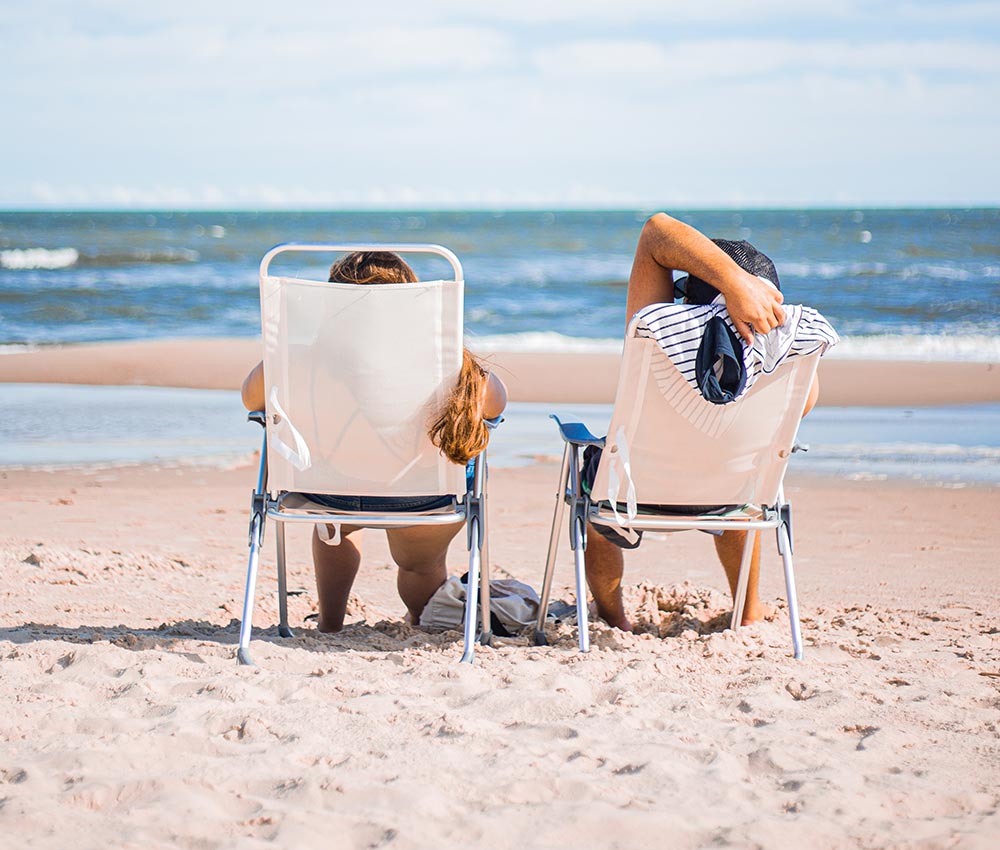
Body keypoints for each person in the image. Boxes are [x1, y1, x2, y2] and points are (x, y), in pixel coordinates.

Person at [241, 250, 507, 633]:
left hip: (329, 492)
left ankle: (330, 624)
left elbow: (252, 400)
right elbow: (494, 404)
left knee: (333, 528)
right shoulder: (446, 363)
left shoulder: (300, 360)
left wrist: (281, 361)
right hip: (422, 498)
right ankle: (418, 619)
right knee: (418, 565)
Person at [585, 212, 821, 632]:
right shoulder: (791, 363)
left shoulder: (654, 335)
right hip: (731, 497)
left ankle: (613, 618)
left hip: (636, 494)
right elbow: (797, 406)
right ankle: (748, 609)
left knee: (594, 485)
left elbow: (656, 230)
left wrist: (731, 283)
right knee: (745, 464)